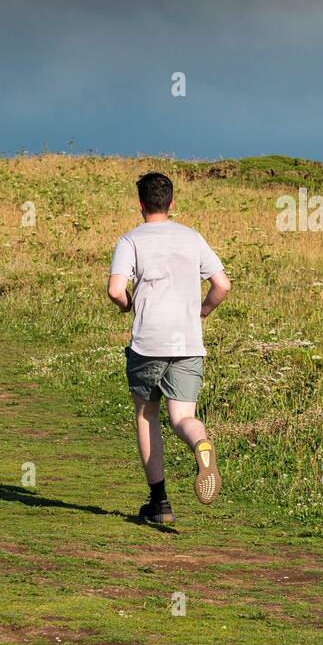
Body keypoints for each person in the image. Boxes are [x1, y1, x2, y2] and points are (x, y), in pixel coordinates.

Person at [107, 171, 230, 524]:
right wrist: (201, 311)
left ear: (141, 204)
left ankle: (159, 503)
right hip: (188, 341)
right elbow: (222, 284)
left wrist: (126, 305)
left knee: (147, 415)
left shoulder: (130, 240)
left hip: (149, 342)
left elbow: (116, 290)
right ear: (172, 203)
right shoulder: (192, 238)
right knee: (184, 418)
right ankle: (201, 446)